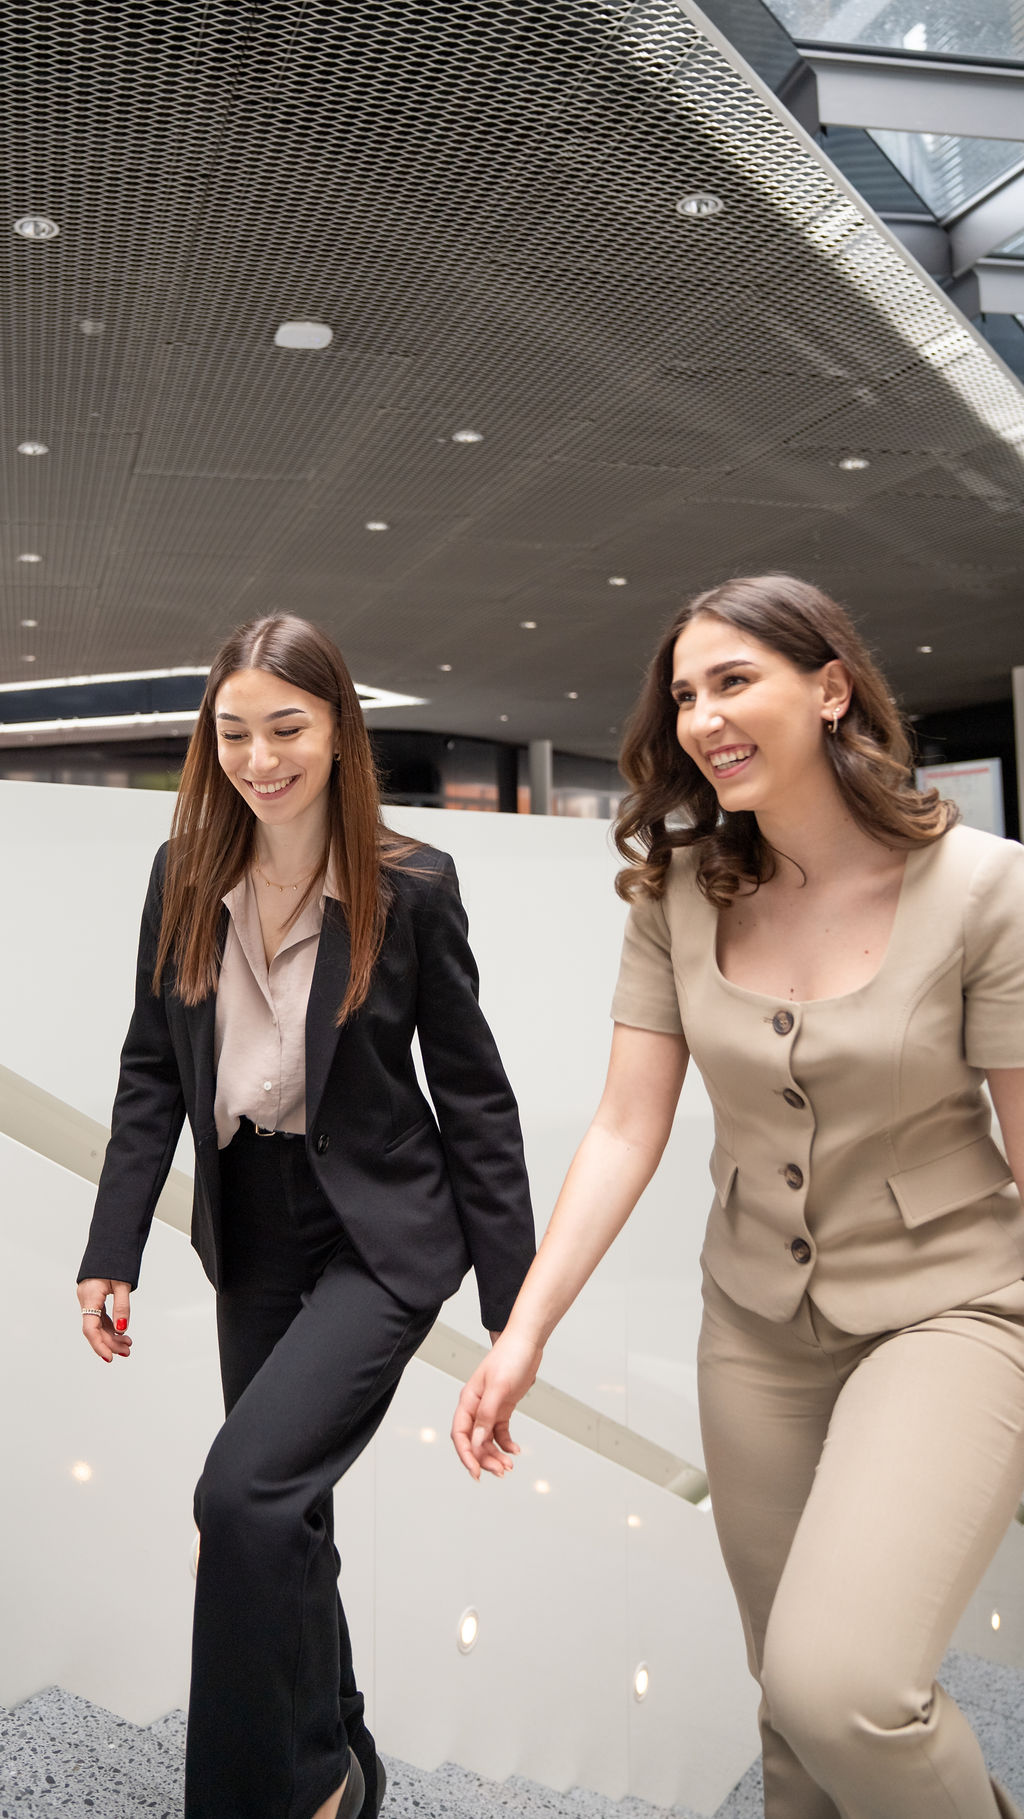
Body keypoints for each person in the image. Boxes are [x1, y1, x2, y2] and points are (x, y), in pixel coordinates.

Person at [452, 573, 1024, 1819]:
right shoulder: (677, 890)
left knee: (846, 1688)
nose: (702, 717)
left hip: (953, 1315)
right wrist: (526, 1331)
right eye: (685, 695)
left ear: (829, 689)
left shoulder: (987, 889)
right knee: (789, 1708)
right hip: (755, 1329)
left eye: (733, 681)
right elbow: (623, 1126)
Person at [77, 613, 535, 1819]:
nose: (258, 755)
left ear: (339, 730)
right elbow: (150, 1068)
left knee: (238, 1497)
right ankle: (343, 1750)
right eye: (232, 730)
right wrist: (110, 1244)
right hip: (253, 1226)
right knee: (289, 1512)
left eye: (286, 726)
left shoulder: (410, 884)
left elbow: (476, 1099)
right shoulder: (181, 874)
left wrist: (515, 1308)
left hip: (381, 1239)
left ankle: (278, 1796)